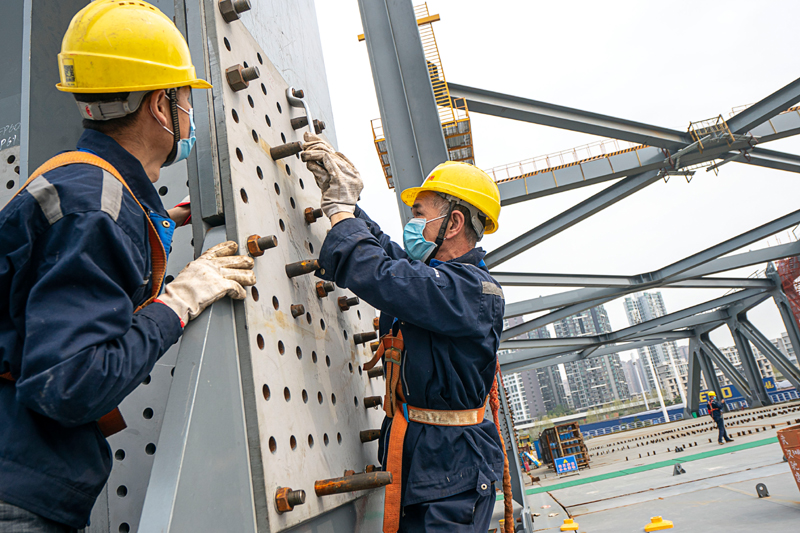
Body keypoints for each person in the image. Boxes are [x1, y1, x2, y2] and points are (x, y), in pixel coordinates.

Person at [0, 2, 255, 531]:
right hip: (18, 489)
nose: (190, 112)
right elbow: (72, 385)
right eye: (186, 97)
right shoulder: (99, 210)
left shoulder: (83, 182)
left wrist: (154, 224)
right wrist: (178, 302)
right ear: (161, 104)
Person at [301, 134, 507, 532]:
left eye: (419, 215)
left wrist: (341, 213)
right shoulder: (439, 280)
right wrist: (348, 201)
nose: (412, 225)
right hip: (429, 459)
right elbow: (389, 257)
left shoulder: (474, 292)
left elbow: (385, 276)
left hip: (453, 469)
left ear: (453, 224)